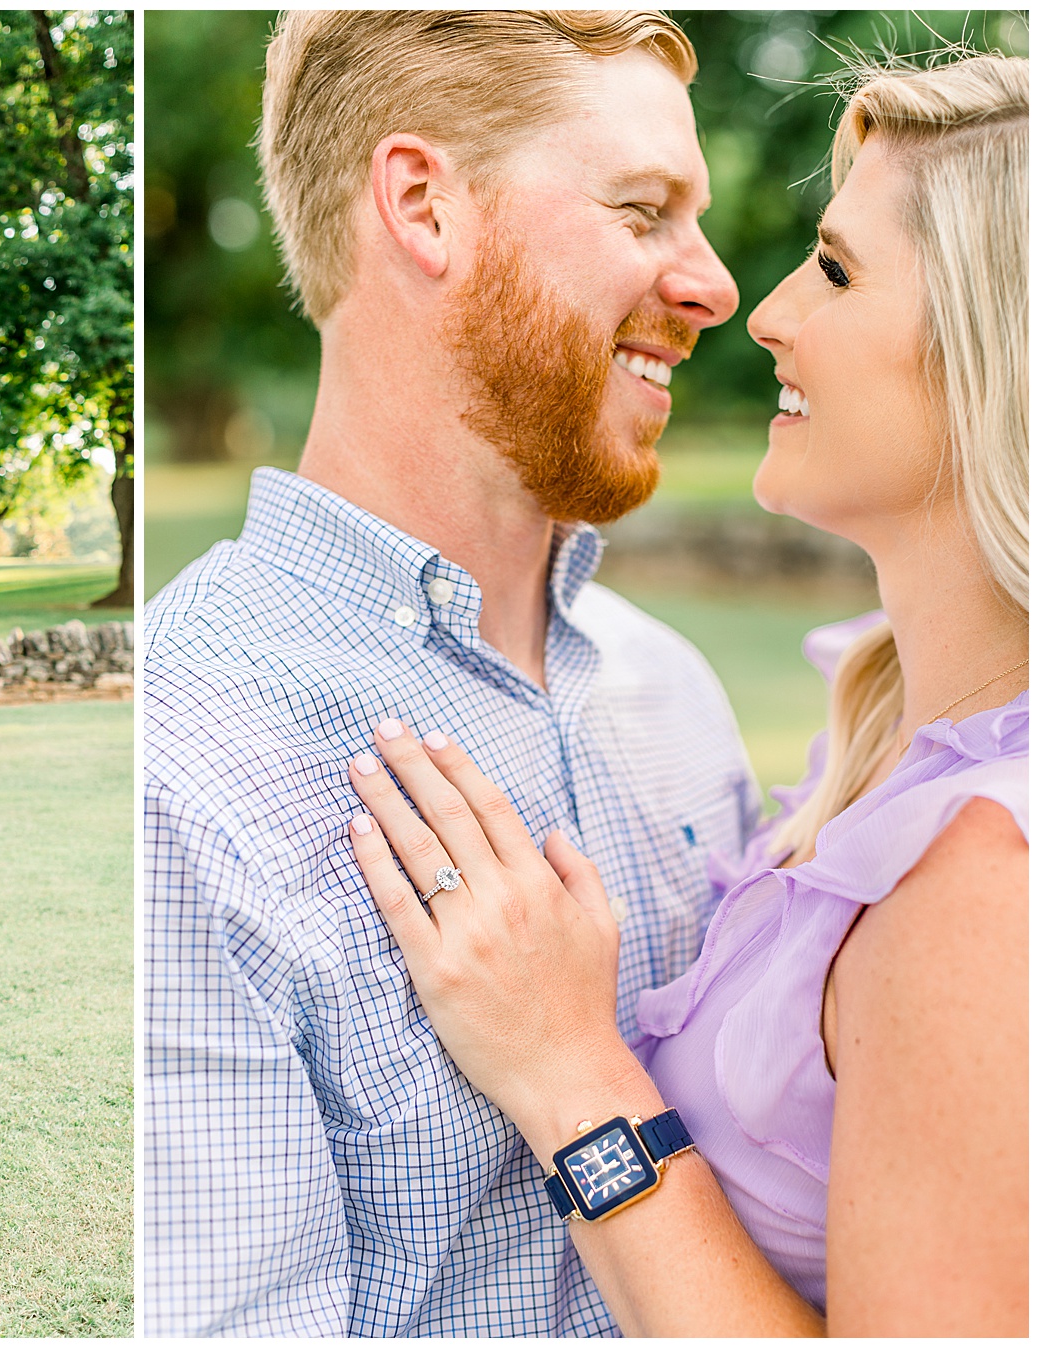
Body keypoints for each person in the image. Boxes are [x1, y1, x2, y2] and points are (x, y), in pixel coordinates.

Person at [347, 52, 1026, 1335]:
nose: (760, 310)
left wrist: (569, 1073)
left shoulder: (990, 876)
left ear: (994, 348)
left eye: (835, 269)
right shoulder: (897, 749)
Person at [144, 11, 757, 1335]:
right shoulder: (180, 768)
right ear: (426, 206)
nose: (714, 287)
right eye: (645, 210)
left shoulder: (678, 695)